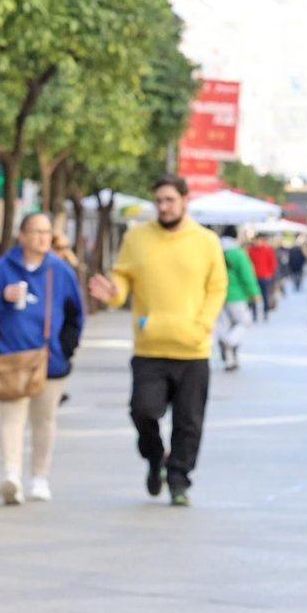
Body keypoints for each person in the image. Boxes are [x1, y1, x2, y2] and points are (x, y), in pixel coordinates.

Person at [87, 175, 227, 507]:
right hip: (150, 346)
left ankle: (179, 480)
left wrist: (202, 324)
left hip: (193, 348)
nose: (163, 207)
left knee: (188, 421)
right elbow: (122, 278)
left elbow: (217, 286)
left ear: (184, 200)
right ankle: (155, 458)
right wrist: (114, 293)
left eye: (169, 200)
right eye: (159, 201)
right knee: (142, 411)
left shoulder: (206, 241)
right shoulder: (137, 238)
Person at [0, 213, 85, 505]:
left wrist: (65, 349)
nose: (42, 237)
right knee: (11, 418)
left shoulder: (60, 271)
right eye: (36, 231)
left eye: (47, 232)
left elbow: (76, 315)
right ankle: (11, 475)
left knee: (44, 420)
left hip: (50, 360)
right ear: (22, 235)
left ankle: (40, 477)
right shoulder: (4, 267)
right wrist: (2, 296)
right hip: (11, 356)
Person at [216, 226, 260, 372]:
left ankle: (229, 360)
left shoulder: (215, 251)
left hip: (217, 294)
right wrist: (254, 292)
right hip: (237, 295)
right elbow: (247, 274)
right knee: (244, 322)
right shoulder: (238, 253)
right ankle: (228, 343)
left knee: (225, 326)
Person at [248, 234, 279, 320]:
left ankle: (266, 311)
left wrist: (270, 273)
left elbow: (272, 263)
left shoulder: (268, 250)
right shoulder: (251, 250)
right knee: (253, 295)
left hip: (264, 276)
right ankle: (254, 314)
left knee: (265, 295)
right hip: (253, 276)